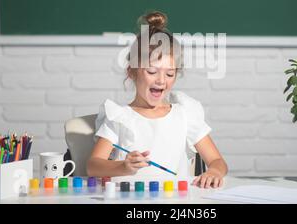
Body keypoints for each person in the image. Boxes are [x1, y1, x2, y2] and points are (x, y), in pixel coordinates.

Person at [87, 10, 227, 188]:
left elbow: (217, 161)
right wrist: (123, 166)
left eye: (170, 73)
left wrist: (214, 171)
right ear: (131, 72)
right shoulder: (119, 117)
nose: (161, 80)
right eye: (152, 72)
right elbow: (93, 166)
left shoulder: (184, 114)